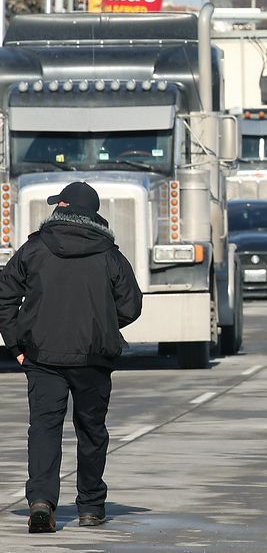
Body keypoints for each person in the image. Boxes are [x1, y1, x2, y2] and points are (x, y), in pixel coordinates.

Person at [0, 182, 142, 533]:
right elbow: (132, 305)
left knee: (44, 429)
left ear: (62, 207)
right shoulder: (110, 254)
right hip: (94, 359)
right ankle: (91, 508)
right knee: (91, 431)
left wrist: (16, 345)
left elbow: (4, 297)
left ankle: (42, 503)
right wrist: (103, 325)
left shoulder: (33, 249)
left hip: (42, 356)